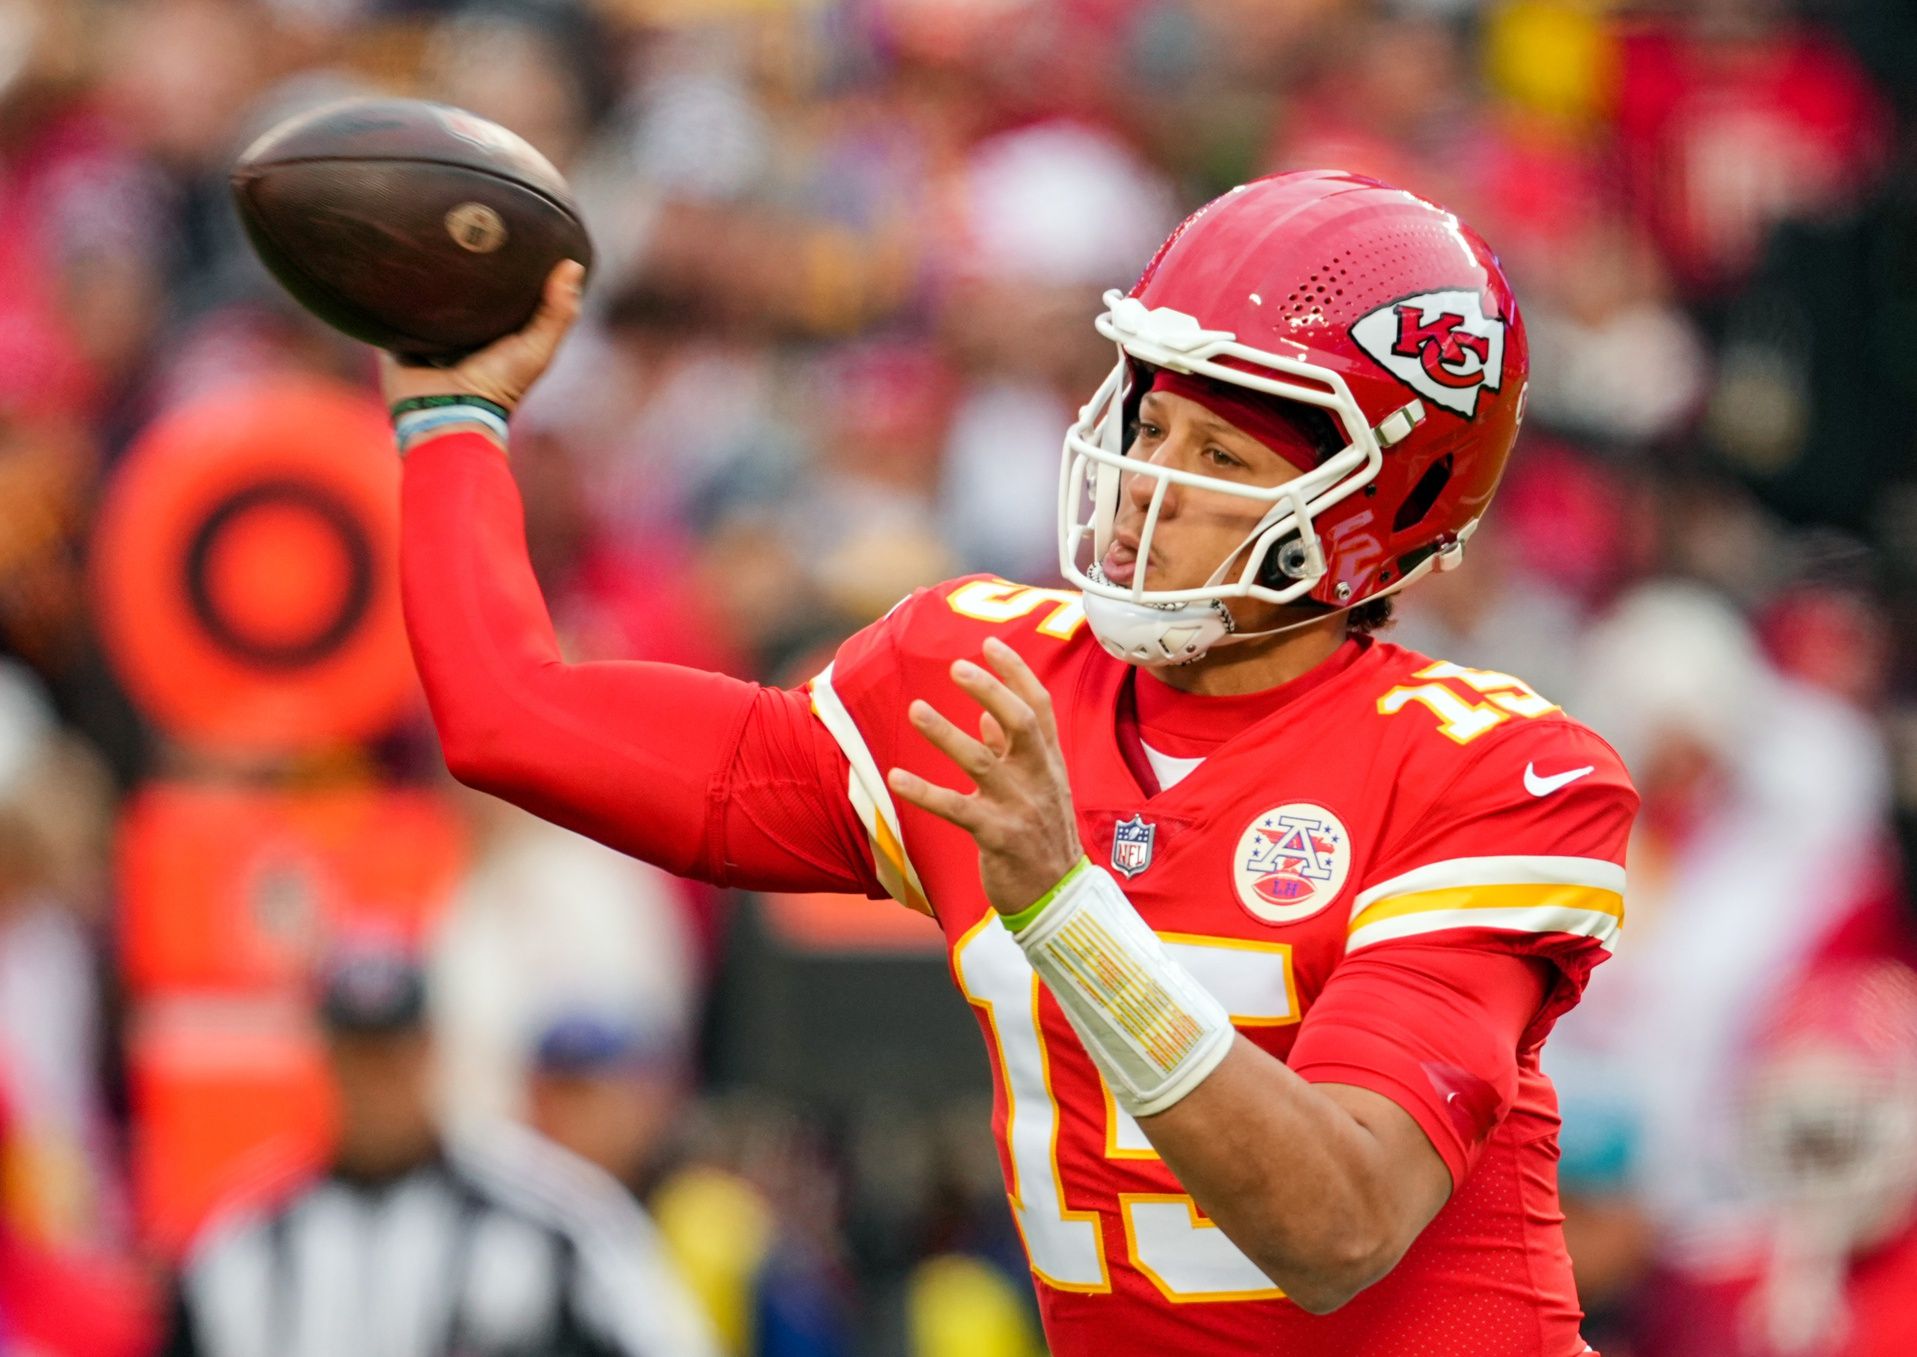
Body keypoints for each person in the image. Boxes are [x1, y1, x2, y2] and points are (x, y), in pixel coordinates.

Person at [388, 171, 1637, 1354]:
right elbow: (511, 717)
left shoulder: (1492, 771)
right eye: (1156, 419)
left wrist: (1065, 908)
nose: (1149, 484)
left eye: (1222, 460)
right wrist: (453, 414)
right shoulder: (985, 673)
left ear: (1384, 512)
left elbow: (1335, 1225)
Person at [161, 948, 718, 1357]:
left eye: (394, 1057)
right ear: (326, 1059)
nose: (377, 1084)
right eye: (360, 1059)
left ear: (432, 1051)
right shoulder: (242, 1246)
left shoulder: (556, 1221)